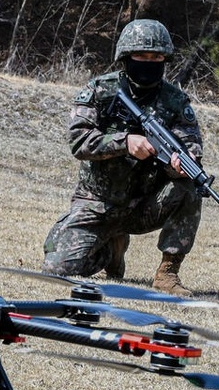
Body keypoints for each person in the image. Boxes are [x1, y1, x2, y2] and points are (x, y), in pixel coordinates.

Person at [41, 18, 204, 296]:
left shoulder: (176, 102)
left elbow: (190, 144)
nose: (149, 62)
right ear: (126, 58)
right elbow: (78, 141)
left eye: (157, 57)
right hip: (97, 203)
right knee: (56, 268)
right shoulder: (99, 91)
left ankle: (168, 273)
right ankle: (110, 248)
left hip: (144, 205)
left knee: (190, 188)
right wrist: (125, 142)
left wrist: (182, 163)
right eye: (142, 56)